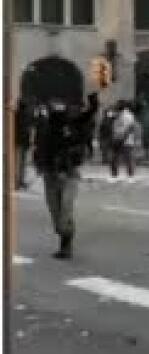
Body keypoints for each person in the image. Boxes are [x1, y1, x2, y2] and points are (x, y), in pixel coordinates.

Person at [33, 93, 100, 259]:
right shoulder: (45, 127)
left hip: (69, 174)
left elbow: (88, 115)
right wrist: (40, 164)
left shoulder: (72, 124)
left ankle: (66, 245)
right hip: (50, 175)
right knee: (55, 212)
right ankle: (64, 237)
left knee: (65, 211)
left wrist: (93, 102)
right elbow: (39, 148)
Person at [109, 102, 140, 179]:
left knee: (128, 158)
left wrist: (123, 137)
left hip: (126, 140)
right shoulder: (118, 115)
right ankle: (114, 175)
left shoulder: (128, 116)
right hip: (117, 138)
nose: (115, 108)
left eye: (116, 106)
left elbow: (130, 127)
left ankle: (130, 176)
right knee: (114, 158)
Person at [15, 98, 33, 190]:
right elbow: (29, 130)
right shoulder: (28, 116)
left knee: (17, 162)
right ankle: (20, 181)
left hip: (16, 142)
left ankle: (17, 181)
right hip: (24, 142)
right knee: (22, 163)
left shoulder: (16, 115)